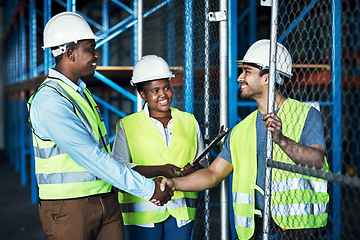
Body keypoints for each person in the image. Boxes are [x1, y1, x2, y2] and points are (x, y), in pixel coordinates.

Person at [160, 39, 329, 240]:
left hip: (297, 232)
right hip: (253, 232)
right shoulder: (241, 130)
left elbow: (317, 161)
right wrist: (174, 183)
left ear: (267, 77)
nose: (240, 77)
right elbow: (213, 173)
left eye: (247, 71)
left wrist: (281, 140)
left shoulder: (305, 114)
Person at [27, 12, 173, 240]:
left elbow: (103, 156)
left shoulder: (80, 93)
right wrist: (147, 188)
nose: (96, 55)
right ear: (69, 53)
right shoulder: (50, 101)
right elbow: (91, 157)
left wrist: (154, 174)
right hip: (69, 209)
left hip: (107, 198)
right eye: (90, 49)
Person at [112, 55, 205, 240]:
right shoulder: (127, 125)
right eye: (155, 90)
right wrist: (160, 170)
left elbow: (204, 162)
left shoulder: (189, 121)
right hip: (142, 213)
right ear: (143, 94)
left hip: (181, 212)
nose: (163, 95)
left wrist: (193, 169)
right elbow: (118, 168)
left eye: (166, 88)